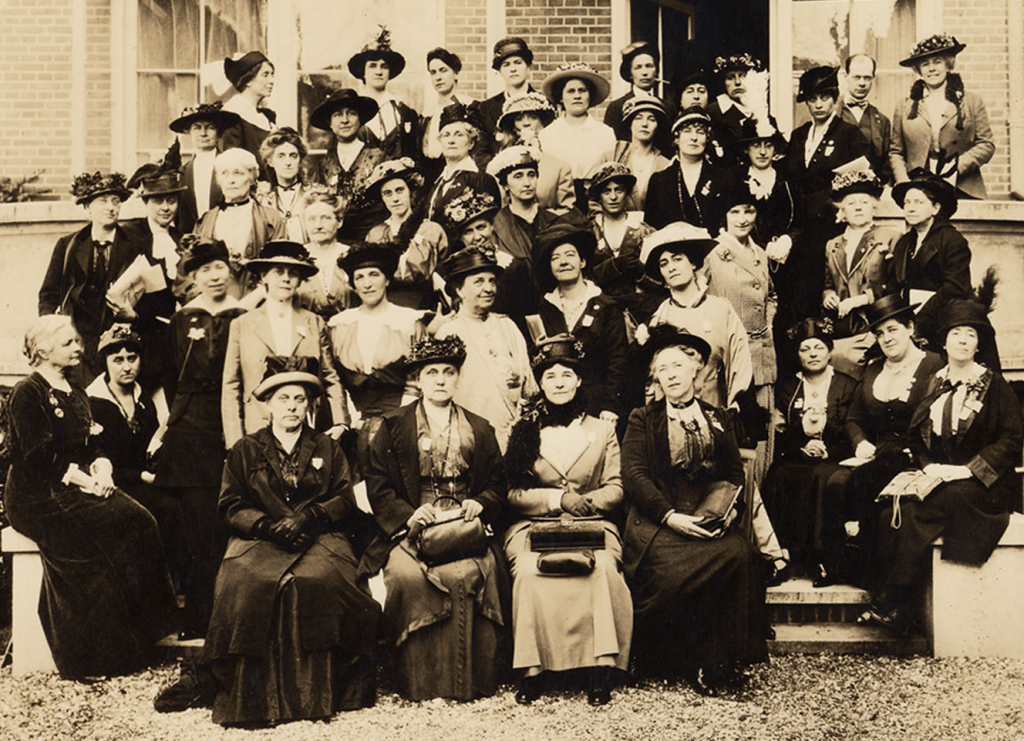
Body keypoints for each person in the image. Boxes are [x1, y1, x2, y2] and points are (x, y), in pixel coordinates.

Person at [202, 356, 379, 725]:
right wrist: (267, 526)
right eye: (283, 399)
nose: (292, 407)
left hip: (320, 535)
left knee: (320, 579)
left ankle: (320, 695)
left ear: (309, 404)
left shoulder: (327, 447)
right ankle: (250, 695)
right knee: (246, 580)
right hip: (260, 537)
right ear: (268, 403)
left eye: (299, 399)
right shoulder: (245, 448)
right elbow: (230, 504)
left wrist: (309, 517)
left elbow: (344, 497)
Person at [3, 315, 177, 679]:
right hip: (37, 497)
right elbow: (40, 457)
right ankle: (84, 661)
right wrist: (86, 482)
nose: (78, 348)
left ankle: (149, 634)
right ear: (42, 350)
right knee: (86, 555)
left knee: (141, 521)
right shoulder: (28, 392)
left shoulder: (76, 391)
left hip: (75, 485)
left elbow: (93, 443)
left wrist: (102, 469)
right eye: (68, 343)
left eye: (77, 341)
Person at [361, 335, 510, 701]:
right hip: (413, 527)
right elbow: (377, 483)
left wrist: (480, 503)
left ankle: (473, 682)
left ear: (458, 378)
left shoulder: (480, 427)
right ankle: (418, 681)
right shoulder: (394, 426)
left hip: (465, 526)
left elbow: (497, 483)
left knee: (472, 574)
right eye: (432, 372)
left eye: (448, 372)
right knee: (408, 577)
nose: (441, 380)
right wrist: (410, 514)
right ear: (419, 379)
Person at [622, 325, 767, 693]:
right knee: (671, 574)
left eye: (678, 366)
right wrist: (670, 516)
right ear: (656, 378)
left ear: (695, 370)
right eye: (663, 369)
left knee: (742, 556)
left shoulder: (718, 418)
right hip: (657, 521)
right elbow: (634, 475)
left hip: (705, 517)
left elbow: (734, 473)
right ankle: (657, 655)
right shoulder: (643, 418)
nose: (671, 375)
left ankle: (715, 660)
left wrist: (728, 511)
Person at [862, 299, 1022, 630]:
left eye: (970, 335)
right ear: (944, 343)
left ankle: (892, 600)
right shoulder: (935, 382)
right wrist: (928, 467)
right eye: (956, 334)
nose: (963, 340)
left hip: (986, 486)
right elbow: (917, 436)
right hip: (941, 479)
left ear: (978, 345)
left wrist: (967, 470)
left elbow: (1011, 441)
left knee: (923, 509)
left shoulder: (994, 385)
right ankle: (900, 603)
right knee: (894, 509)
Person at [502, 336, 630, 706]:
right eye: (550, 376)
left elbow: (616, 487)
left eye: (566, 375)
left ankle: (600, 668)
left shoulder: (602, 430)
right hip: (534, 527)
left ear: (579, 380)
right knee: (529, 571)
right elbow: (513, 493)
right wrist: (558, 500)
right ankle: (533, 670)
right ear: (540, 384)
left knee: (602, 568)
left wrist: (584, 503)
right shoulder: (523, 430)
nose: (558, 383)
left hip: (592, 523)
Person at [154, 237, 246, 640]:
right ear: (193, 277)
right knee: (197, 524)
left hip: (230, 419)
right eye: (204, 270)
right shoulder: (182, 320)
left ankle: (233, 617)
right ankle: (199, 619)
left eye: (219, 267)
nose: (214, 276)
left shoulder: (244, 315)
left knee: (229, 518)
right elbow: (170, 376)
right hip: (191, 428)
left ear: (230, 270)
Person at [841, 294, 943, 585]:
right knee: (837, 481)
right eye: (879, 333)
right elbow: (853, 419)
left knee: (872, 484)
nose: (886, 338)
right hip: (878, 454)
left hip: (917, 457)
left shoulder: (934, 365)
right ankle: (846, 566)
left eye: (893, 330)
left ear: (910, 328)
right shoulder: (873, 368)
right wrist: (860, 442)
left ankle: (878, 578)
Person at [221, 241, 348, 448]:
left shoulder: (314, 322)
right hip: (257, 428)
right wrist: (235, 440)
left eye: (293, 273)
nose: (286, 279)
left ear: (299, 281)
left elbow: (330, 376)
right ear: (264, 277)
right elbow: (231, 386)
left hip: (306, 426)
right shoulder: (242, 324)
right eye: (278, 272)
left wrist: (341, 422)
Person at [761, 319, 858, 586]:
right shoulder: (787, 388)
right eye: (805, 349)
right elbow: (779, 433)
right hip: (798, 456)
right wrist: (801, 446)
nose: (813, 354)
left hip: (835, 457)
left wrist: (829, 450)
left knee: (822, 476)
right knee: (779, 474)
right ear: (798, 354)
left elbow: (854, 427)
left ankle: (823, 559)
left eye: (818, 348)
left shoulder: (847, 385)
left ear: (829, 351)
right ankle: (780, 557)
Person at [87, 324, 183, 581]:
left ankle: (167, 586)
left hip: (143, 482)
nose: (127, 366)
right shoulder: (93, 403)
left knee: (176, 506)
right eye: (118, 360)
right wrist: (139, 475)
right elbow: (93, 457)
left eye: (132, 358)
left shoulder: (144, 401)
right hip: (111, 485)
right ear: (105, 363)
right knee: (158, 511)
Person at [783, 66, 870, 327]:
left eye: (825, 98)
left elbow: (864, 179)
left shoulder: (849, 134)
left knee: (826, 293)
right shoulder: (799, 136)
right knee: (797, 295)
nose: (819, 105)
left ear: (835, 99)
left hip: (831, 227)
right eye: (813, 99)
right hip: (800, 229)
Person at [328, 243, 426, 473]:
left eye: (374, 275)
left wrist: (399, 422)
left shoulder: (408, 322)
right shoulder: (339, 325)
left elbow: (418, 378)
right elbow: (333, 377)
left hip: (402, 422)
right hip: (353, 424)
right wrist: (350, 419)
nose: (367, 284)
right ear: (353, 284)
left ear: (387, 280)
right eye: (359, 277)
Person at [704, 183, 778, 477]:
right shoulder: (712, 253)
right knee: (736, 433)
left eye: (749, 211)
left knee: (763, 434)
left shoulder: (760, 252)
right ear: (724, 216)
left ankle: (760, 495)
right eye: (734, 212)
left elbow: (771, 295)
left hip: (763, 353)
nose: (743, 218)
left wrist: (767, 322)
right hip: (731, 355)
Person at [38, 171, 141, 381]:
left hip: (118, 346)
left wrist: (133, 316)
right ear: (87, 207)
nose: (110, 207)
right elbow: (48, 296)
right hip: (78, 344)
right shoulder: (68, 246)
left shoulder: (135, 245)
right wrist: (54, 333)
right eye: (102, 201)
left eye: (115, 201)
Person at [639, 222, 751, 410]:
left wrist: (733, 409)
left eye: (677, 259)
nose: (671, 268)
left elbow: (739, 364)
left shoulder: (721, 309)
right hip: (672, 414)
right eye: (664, 264)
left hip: (715, 408)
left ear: (692, 263)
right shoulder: (660, 316)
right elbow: (654, 379)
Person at [525, 223, 629, 425]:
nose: (563, 262)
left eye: (570, 255)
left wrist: (610, 406)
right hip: (554, 408)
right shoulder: (543, 309)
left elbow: (619, 361)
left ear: (582, 262)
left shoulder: (606, 307)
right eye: (555, 258)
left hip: (598, 409)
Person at [436, 247, 537, 450]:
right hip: (470, 439)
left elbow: (529, 385)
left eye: (492, 281)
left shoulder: (507, 326)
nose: (489, 288)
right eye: (479, 282)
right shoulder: (449, 333)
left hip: (513, 435)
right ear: (459, 290)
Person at [890, 33, 994, 200]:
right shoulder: (904, 106)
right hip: (917, 188)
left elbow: (986, 144)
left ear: (948, 64)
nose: (932, 69)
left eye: (937, 62)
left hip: (962, 188)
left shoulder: (971, 101)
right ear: (918, 70)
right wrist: (904, 182)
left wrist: (955, 167)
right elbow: (896, 151)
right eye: (925, 64)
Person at [822, 169, 900, 376]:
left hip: (873, 322)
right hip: (841, 327)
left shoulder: (890, 237)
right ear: (842, 210)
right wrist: (828, 296)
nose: (858, 207)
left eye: (864, 202)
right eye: (851, 203)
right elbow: (828, 284)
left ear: (874, 206)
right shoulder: (832, 245)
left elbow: (897, 283)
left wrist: (862, 299)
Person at [888, 170, 974, 353]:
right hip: (909, 320)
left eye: (918, 202)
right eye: (907, 203)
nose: (910, 208)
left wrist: (921, 317)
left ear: (935, 208)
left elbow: (955, 288)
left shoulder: (952, 240)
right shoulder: (904, 242)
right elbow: (894, 284)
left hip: (942, 320)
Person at [121, 165, 188, 392]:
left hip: (171, 337)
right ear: (146, 203)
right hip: (139, 336)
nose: (166, 208)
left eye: (171, 201)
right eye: (158, 201)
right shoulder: (129, 235)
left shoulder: (180, 239)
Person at [196, 147, 286, 297]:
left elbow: (280, 264)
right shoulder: (206, 220)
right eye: (225, 173)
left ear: (252, 179)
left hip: (259, 298)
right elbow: (194, 267)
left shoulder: (271, 218)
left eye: (238, 173)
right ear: (218, 180)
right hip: (215, 299)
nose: (231, 180)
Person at [365, 157, 449, 310]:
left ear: (410, 191)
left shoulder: (431, 230)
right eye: (388, 193)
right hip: (387, 306)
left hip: (426, 304)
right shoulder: (375, 234)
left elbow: (444, 275)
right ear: (382, 198)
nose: (395, 199)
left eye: (400, 190)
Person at [308, 88, 386, 241]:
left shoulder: (378, 157)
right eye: (338, 115)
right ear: (330, 123)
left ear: (360, 119)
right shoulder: (324, 164)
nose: (345, 120)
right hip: (333, 239)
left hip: (370, 239)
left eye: (351, 113)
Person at [586, 162, 658, 327]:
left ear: (627, 193)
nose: (613, 197)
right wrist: (611, 267)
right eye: (606, 191)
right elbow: (583, 277)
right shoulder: (589, 233)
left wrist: (641, 271)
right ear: (598, 196)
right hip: (600, 312)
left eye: (619, 190)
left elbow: (659, 281)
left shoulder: (645, 232)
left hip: (640, 312)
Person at [539, 63, 616, 212]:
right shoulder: (547, 135)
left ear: (590, 95)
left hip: (596, 204)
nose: (577, 96)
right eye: (570, 91)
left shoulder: (605, 133)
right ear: (561, 98)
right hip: (560, 206)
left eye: (582, 90)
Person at [644, 107, 732, 232]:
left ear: (707, 139)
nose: (694, 138)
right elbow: (651, 228)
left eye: (700, 132)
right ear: (677, 139)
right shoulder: (660, 180)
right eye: (687, 131)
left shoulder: (723, 177)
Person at [487, 145, 562, 284]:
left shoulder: (554, 220)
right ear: (505, 185)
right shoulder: (496, 226)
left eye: (531, 175)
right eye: (518, 176)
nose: (527, 183)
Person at [347, 26, 419, 162]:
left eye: (384, 67)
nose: (379, 72)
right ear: (363, 72)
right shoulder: (351, 112)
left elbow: (413, 154)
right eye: (372, 66)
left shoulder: (403, 112)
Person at [496, 92, 575, 212]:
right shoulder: (499, 165)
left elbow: (567, 211)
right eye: (519, 119)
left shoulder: (559, 168)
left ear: (542, 124)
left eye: (533, 117)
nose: (526, 123)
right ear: (513, 127)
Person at [169, 101, 241, 233]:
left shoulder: (231, 167)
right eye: (197, 128)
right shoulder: (182, 173)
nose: (203, 133)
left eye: (210, 128)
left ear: (219, 134)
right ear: (189, 132)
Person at [426, 102, 499, 226]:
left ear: (471, 143)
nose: (451, 141)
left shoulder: (481, 180)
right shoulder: (437, 183)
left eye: (459, 135)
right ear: (440, 141)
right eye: (446, 135)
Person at [420, 48, 486, 182]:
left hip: (466, 177)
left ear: (455, 74)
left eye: (443, 70)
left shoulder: (471, 108)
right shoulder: (427, 115)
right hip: (431, 179)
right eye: (433, 72)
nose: (438, 77)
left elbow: (482, 152)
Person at [595, 97, 672, 211]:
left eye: (651, 119)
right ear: (629, 124)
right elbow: (593, 199)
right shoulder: (611, 158)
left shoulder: (666, 165)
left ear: (658, 126)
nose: (644, 124)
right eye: (638, 118)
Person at [297, 185, 355, 320]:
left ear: (339, 221)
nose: (318, 225)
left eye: (326, 218)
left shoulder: (353, 256)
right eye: (311, 219)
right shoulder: (296, 258)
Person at [603, 41, 676, 145]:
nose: (644, 72)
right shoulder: (617, 107)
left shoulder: (668, 108)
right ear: (630, 73)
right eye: (638, 67)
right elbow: (611, 145)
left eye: (649, 66)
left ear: (656, 71)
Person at [839, 54, 892, 185]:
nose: (862, 83)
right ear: (846, 76)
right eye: (856, 77)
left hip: (871, 190)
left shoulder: (882, 121)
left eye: (867, 78)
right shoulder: (831, 114)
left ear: (873, 78)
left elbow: (886, 165)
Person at [480, 37, 538, 151]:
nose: (513, 69)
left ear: (528, 66)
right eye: (506, 65)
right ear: (499, 71)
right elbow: (483, 151)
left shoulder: (544, 104)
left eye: (518, 63)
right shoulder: (487, 108)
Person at [707, 53, 763, 168]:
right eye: (730, 77)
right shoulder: (714, 111)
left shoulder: (761, 109)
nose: (737, 82)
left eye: (743, 76)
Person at [257, 127, 311, 244]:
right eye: (281, 156)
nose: (288, 163)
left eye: (293, 156)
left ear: (300, 161)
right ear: (270, 162)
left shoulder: (313, 195)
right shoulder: (262, 199)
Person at [220, 51, 277, 159]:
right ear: (248, 80)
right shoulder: (232, 115)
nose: (272, 80)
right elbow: (231, 159)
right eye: (265, 75)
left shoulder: (267, 116)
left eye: (272, 74)